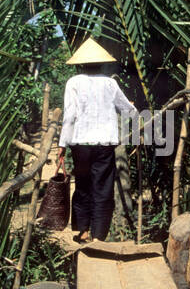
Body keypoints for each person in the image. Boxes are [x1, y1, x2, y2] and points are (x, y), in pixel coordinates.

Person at [57, 37, 137, 243]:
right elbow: (128, 111)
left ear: (81, 64)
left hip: (80, 144)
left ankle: (83, 230)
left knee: (83, 185)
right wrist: (132, 107)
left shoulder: (73, 83)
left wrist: (62, 144)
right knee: (102, 187)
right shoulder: (110, 84)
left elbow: (70, 115)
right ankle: (98, 236)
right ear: (102, 63)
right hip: (104, 144)